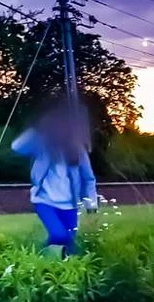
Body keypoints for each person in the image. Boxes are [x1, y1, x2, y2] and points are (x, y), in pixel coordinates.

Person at [12, 107, 97, 256]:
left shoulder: (78, 151)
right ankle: (41, 257)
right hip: (45, 201)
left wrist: (91, 202)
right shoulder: (43, 146)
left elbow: (88, 178)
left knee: (70, 243)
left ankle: (61, 269)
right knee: (59, 235)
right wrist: (36, 132)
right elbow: (17, 147)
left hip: (70, 205)